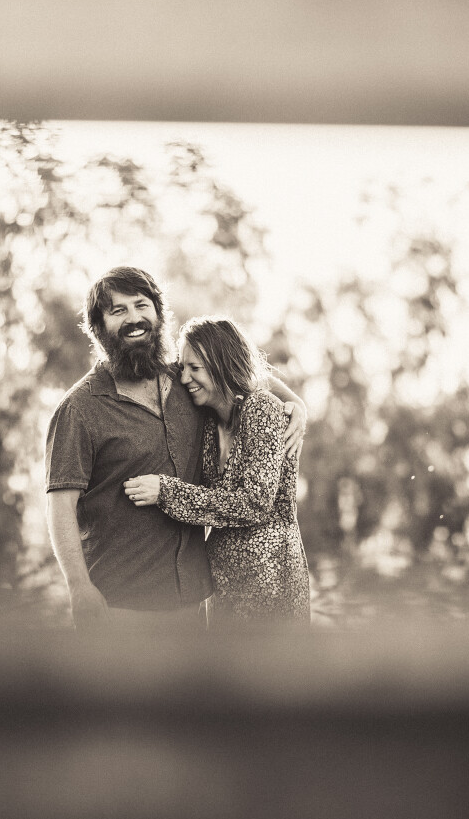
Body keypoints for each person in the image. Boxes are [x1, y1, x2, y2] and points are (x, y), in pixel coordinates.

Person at [44, 267, 306, 628]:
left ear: (158, 313)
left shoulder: (185, 381)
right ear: (98, 327)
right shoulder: (79, 408)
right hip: (120, 603)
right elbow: (60, 507)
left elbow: (235, 368)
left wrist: (295, 402)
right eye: (118, 310)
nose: (134, 318)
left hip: (194, 601)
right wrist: (78, 587)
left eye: (141, 305)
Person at [123, 317, 310, 626]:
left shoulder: (261, 409)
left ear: (222, 364)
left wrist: (166, 492)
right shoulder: (209, 420)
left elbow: (255, 503)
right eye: (183, 367)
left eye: (195, 368)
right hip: (223, 585)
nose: (185, 378)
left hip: (271, 582)